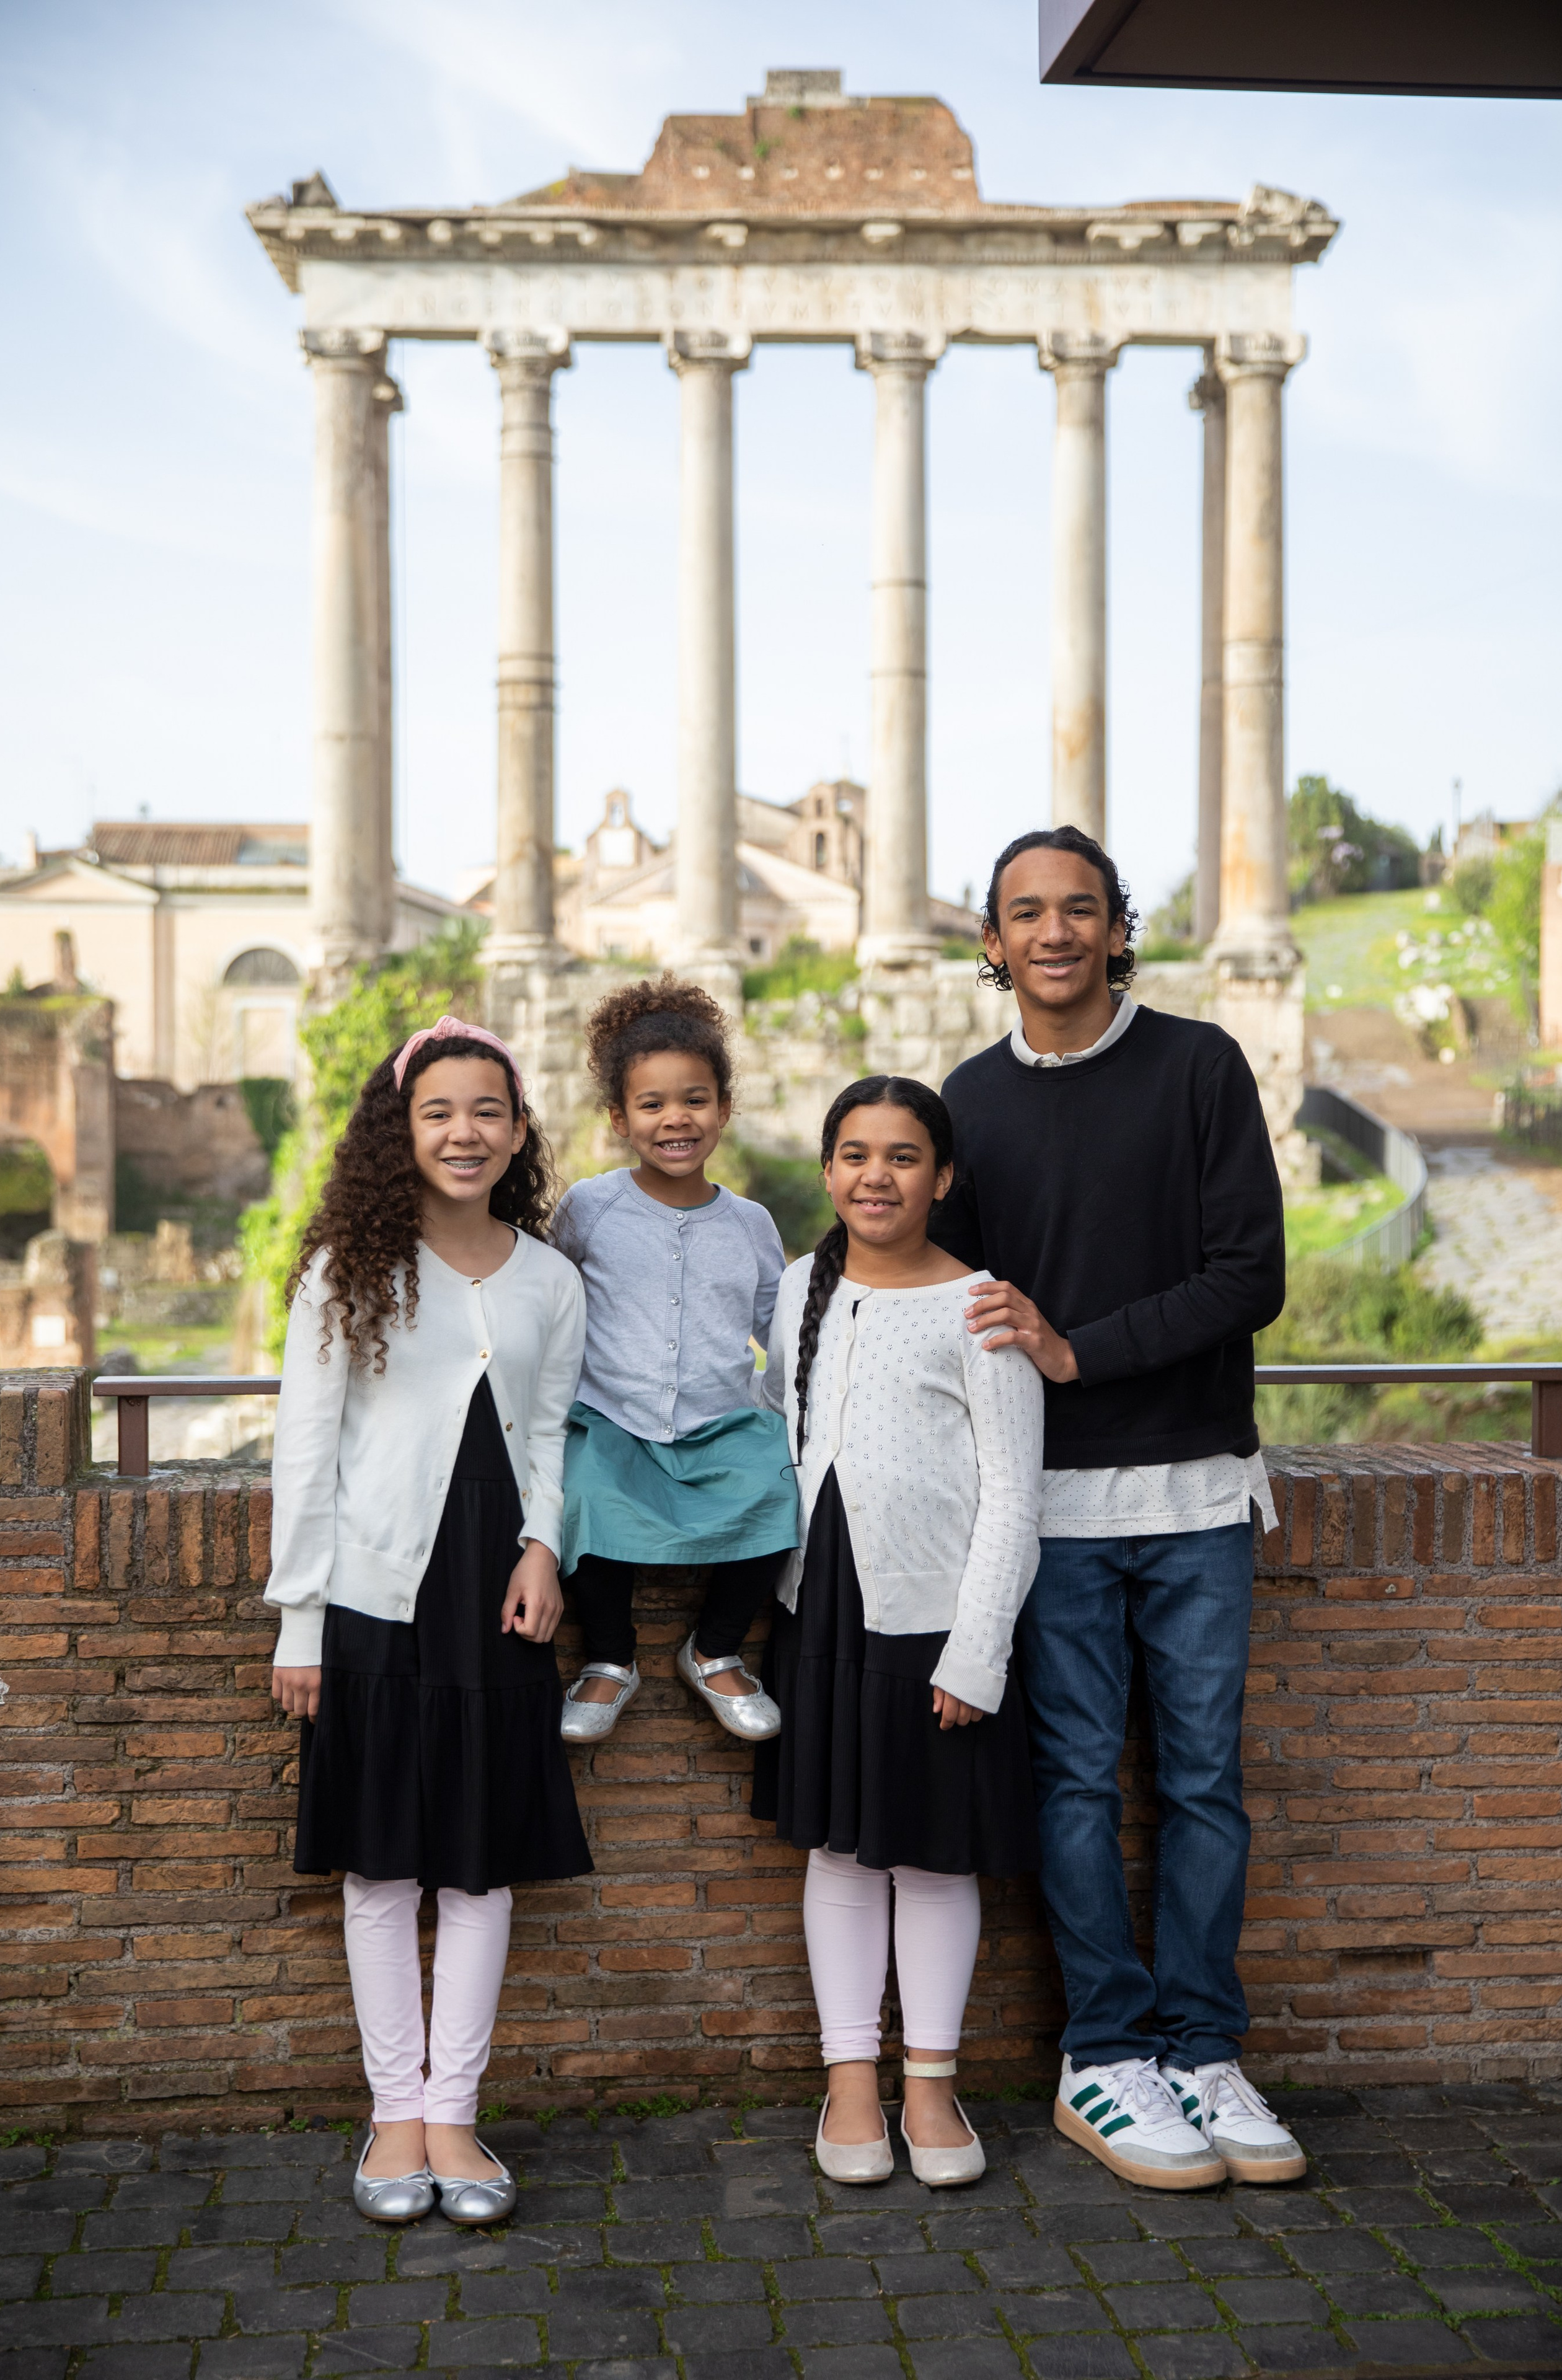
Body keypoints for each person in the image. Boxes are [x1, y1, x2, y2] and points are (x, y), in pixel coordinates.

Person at [933, 825, 1305, 2190]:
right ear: (988, 941)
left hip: (1199, 1488)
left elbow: (1246, 1275)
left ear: (1112, 929)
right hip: (1044, 1507)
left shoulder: (1198, 1064)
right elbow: (933, 1295)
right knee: (1075, 1784)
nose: (1051, 933)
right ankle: (1106, 2053)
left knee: (1204, 1785)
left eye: (1077, 910)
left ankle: (1204, 2050)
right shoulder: (962, 1102)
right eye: (1023, 912)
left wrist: (1081, 1346)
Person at [268, 1015, 589, 2228]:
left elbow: (555, 1432)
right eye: (439, 1112)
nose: (465, 1133)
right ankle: (391, 2111)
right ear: (399, 1132)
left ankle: (453, 2114)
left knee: (478, 1867)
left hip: (494, 1603)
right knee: (381, 1865)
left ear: (516, 1131)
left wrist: (545, 1544)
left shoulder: (551, 1279)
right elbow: (307, 1447)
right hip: (371, 1598)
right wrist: (300, 1619)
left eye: (487, 1113)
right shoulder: (345, 1268)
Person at [754, 1076, 1043, 2188]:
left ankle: (931, 2082)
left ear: (944, 1177)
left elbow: (1015, 1495)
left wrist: (978, 1649)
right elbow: (779, 1428)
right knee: (837, 1849)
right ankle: (850, 2085)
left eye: (904, 1156)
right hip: (817, 1606)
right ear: (828, 1172)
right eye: (856, 1154)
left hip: (930, 1624)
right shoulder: (795, 1290)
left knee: (930, 1856)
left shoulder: (981, 1306)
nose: (878, 1175)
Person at [550, 978, 799, 1743]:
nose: (675, 1119)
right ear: (620, 1119)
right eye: (652, 1105)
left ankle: (715, 1649)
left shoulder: (751, 1223)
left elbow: (779, 1326)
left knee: (778, 1490)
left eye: (694, 1099)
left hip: (717, 1425)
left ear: (723, 1109)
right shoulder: (589, 1208)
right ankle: (609, 1657)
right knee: (581, 1491)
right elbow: (551, 1303)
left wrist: (780, 1409)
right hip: (612, 1421)